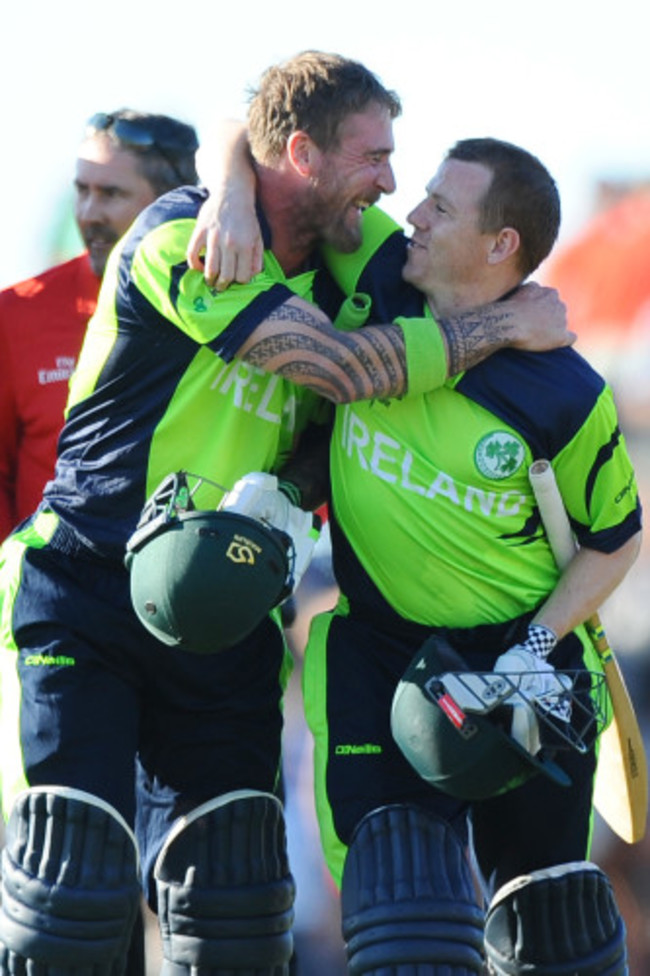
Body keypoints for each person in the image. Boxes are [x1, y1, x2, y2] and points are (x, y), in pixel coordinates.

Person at [0, 51, 572, 976]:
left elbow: (455, 280)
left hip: (229, 610)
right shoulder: (185, 241)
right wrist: (503, 327)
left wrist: (296, 489)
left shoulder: (355, 245)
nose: (390, 184)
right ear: (303, 155)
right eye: (373, 157)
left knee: (235, 917)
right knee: (72, 898)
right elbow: (336, 371)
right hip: (87, 586)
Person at [195, 135, 642, 973]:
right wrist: (226, 192)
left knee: (554, 941)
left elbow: (616, 541)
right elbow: (264, 129)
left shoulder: (567, 392)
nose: (414, 215)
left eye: (441, 206)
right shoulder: (378, 272)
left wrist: (535, 646)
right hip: (380, 655)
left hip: (522, 668)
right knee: (409, 931)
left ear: (501, 244)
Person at [0, 108, 200, 540]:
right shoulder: (16, 313)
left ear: (172, 203)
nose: (88, 213)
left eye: (111, 194)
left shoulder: (228, 308)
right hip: (48, 577)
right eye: (82, 190)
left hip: (190, 575)